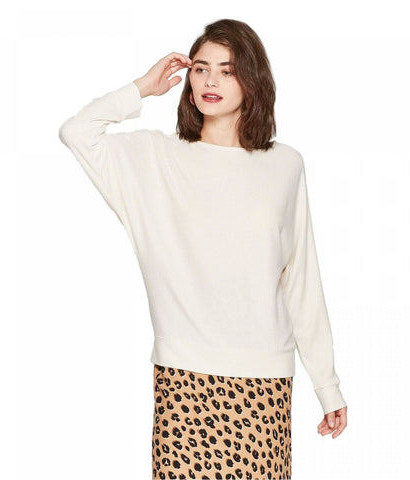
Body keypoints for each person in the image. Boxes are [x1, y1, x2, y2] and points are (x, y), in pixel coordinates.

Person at [59, 18, 348, 480]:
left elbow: (300, 281)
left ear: (252, 80)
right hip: (183, 378)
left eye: (227, 70)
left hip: (264, 381)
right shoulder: (153, 158)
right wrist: (143, 87)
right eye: (201, 68)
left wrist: (327, 385)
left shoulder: (285, 165)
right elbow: (77, 132)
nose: (211, 80)